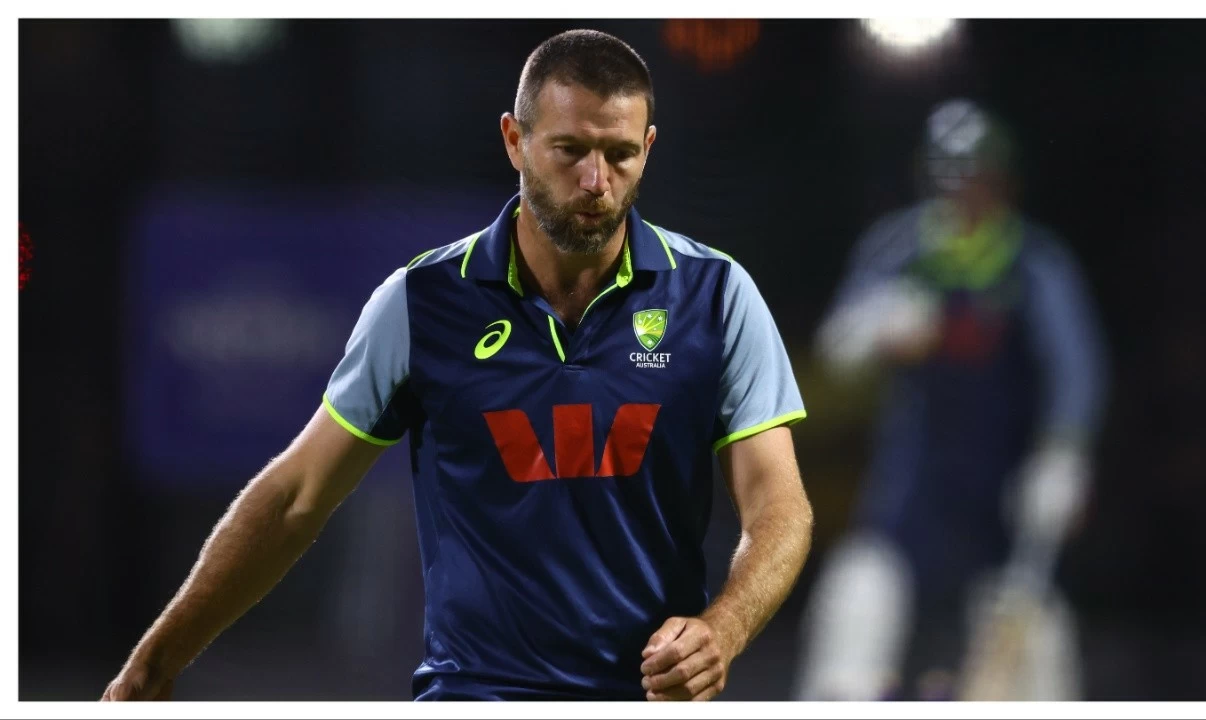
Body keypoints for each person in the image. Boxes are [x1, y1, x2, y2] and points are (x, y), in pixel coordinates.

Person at [102, 29, 813, 702]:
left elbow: (779, 508)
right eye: (569, 149)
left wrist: (725, 628)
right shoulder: (421, 302)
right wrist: (154, 663)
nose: (597, 180)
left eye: (620, 153)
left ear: (649, 147)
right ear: (515, 140)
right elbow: (295, 497)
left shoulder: (717, 296)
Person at [794, 98, 1108, 701]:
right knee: (859, 596)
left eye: (976, 178)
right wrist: (873, 328)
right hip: (914, 483)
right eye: (948, 177)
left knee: (1034, 634)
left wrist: (1065, 452)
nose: (962, 193)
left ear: (1004, 182)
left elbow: (1076, 366)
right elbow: (837, 348)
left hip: (1004, 486)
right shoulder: (902, 250)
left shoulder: (1032, 262)